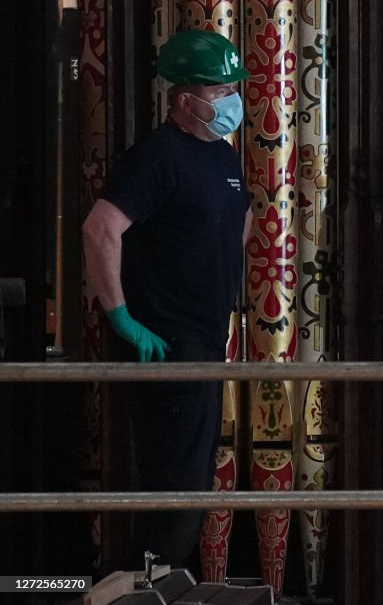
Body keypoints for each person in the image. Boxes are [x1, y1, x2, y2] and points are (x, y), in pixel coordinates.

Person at [82, 29, 251, 568]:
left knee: (194, 481)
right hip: (166, 342)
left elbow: (238, 219)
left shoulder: (222, 156)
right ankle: (138, 588)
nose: (230, 101)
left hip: (206, 337)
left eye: (232, 90)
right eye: (220, 91)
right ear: (185, 99)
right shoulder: (156, 157)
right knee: (174, 488)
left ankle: (151, 586)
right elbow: (99, 229)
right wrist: (121, 317)